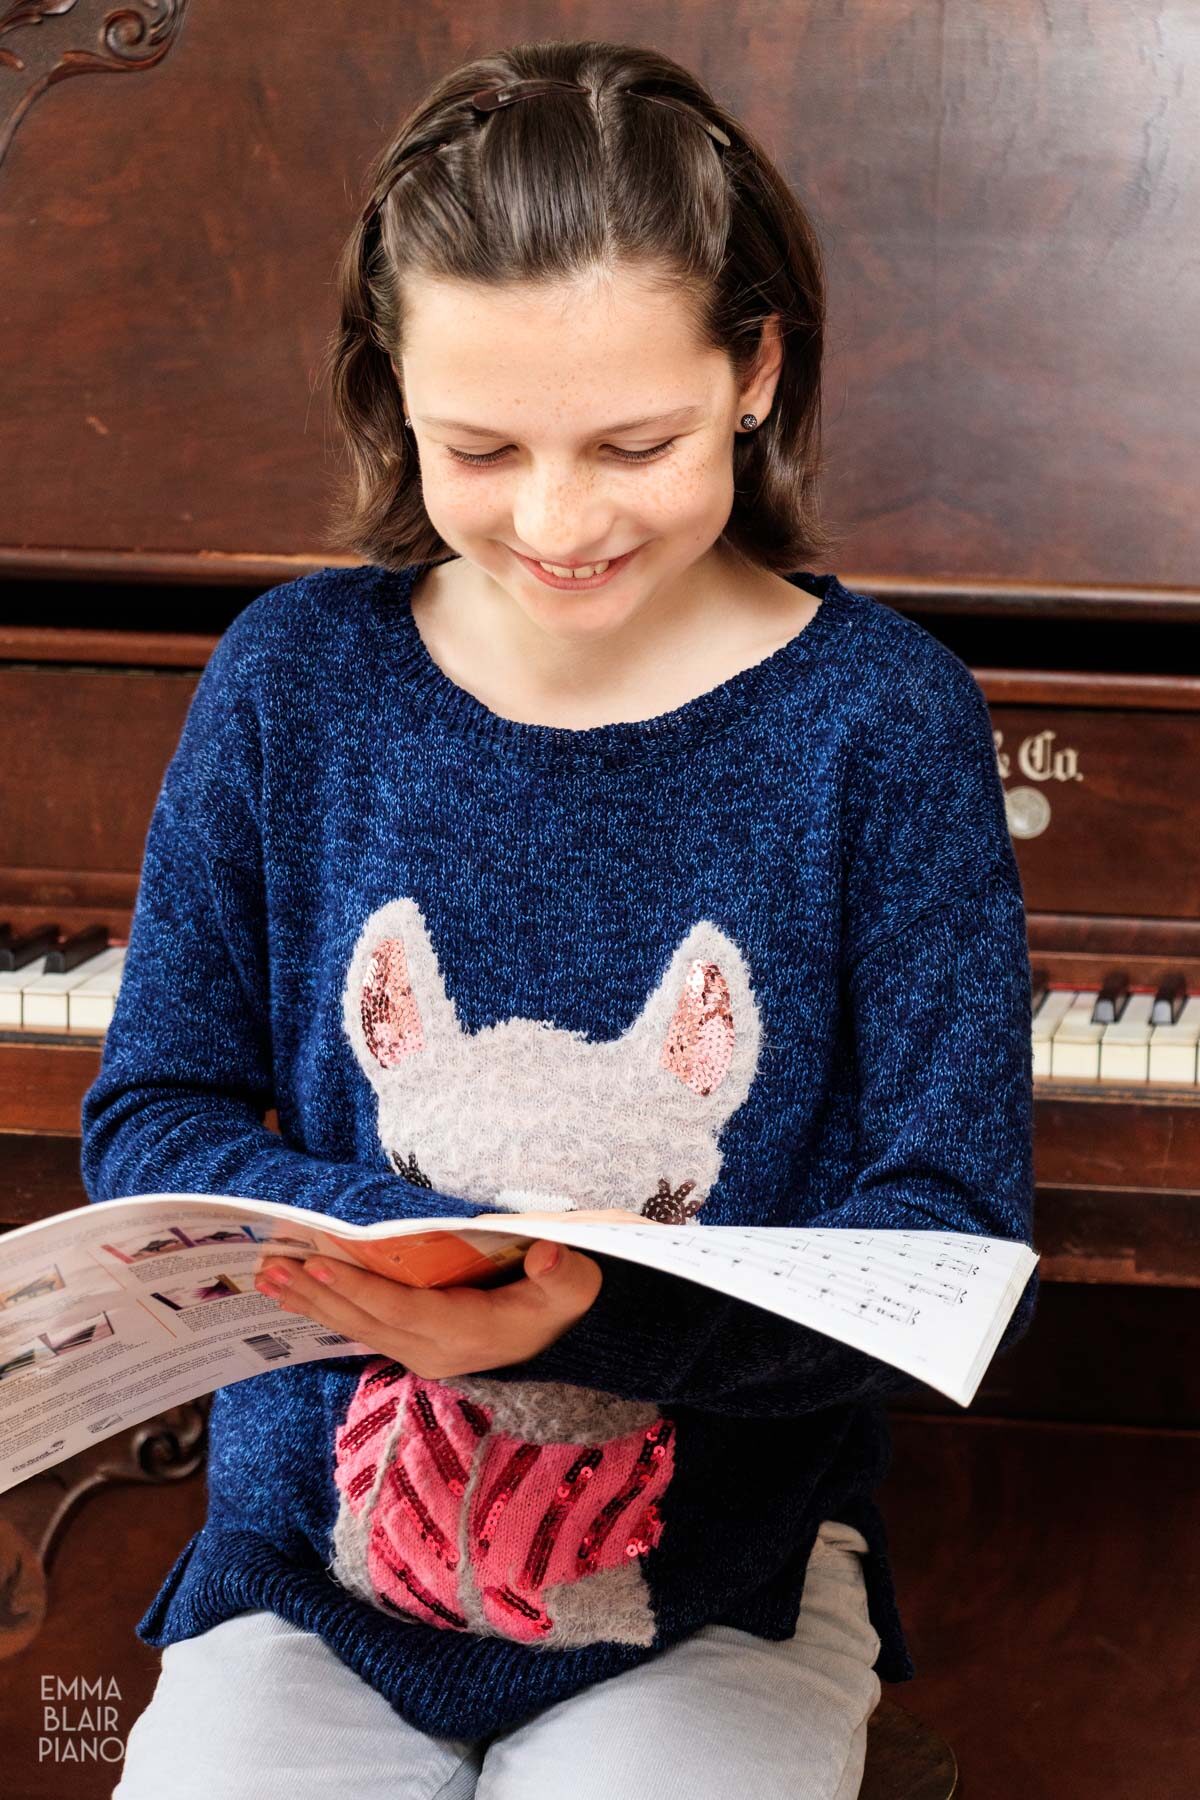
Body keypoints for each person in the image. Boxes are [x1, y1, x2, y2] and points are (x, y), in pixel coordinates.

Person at [81, 37, 1038, 1800]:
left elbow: (946, 1229)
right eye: (482, 446)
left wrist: (572, 1319)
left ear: (755, 370)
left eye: (633, 441)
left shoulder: (883, 721)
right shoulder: (295, 675)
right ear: (392, 393)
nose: (557, 518)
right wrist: (412, 1250)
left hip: (716, 1588)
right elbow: (153, 1113)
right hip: (309, 1567)